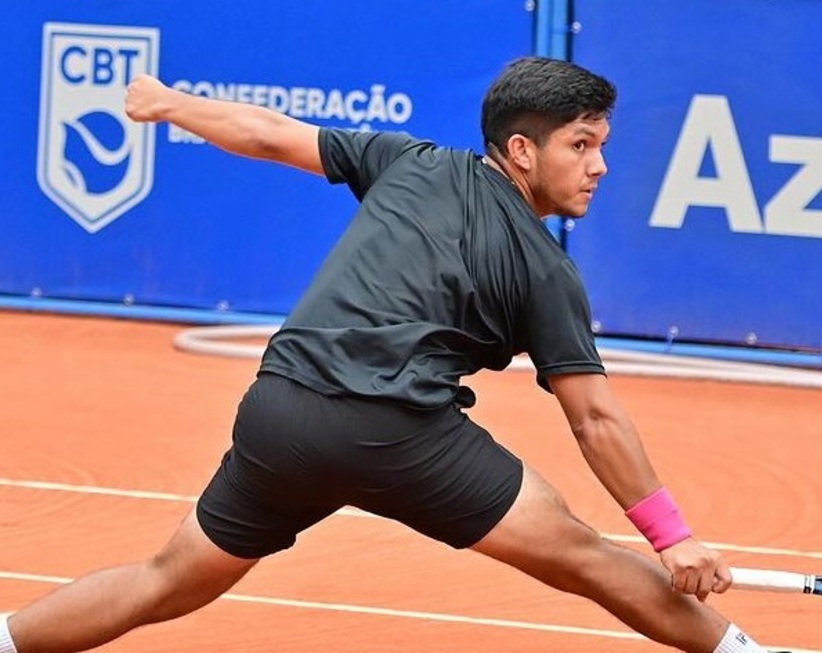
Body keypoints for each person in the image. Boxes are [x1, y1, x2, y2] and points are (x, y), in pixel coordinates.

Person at [0, 57, 775, 653]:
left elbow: (270, 134)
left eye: (601, 145)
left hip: (279, 415)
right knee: (588, 557)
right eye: (581, 145)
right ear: (521, 151)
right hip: (398, 434)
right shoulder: (547, 271)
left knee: (167, 579)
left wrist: (167, 103)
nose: (599, 165)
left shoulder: (411, 161)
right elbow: (596, 419)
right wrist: (673, 538)